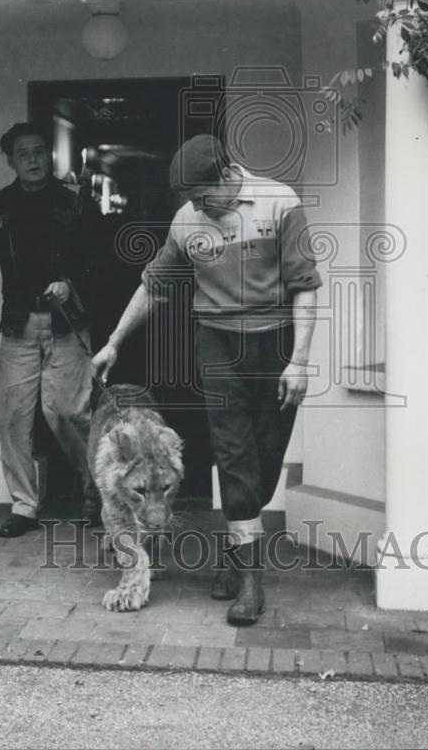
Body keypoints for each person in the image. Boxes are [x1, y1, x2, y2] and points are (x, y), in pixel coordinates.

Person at [92, 134, 321, 625]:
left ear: (227, 174)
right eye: (191, 201)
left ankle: (233, 554)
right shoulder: (186, 221)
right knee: (234, 456)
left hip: (276, 344)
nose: (198, 207)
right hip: (217, 345)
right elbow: (153, 286)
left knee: (264, 458)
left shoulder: (282, 203)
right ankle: (251, 585)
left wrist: (299, 360)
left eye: (203, 197)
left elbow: (304, 287)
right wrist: (114, 340)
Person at [0, 122, 100, 538]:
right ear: (11, 161)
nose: (32, 160)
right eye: (23, 154)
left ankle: (95, 489)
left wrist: (71, 285)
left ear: (50, 157)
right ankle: (24, 506)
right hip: (18, 325)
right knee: (14, 416)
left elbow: (100, 264)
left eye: (39, 151)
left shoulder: (74, 204)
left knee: (67, 411)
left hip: (67, 323)